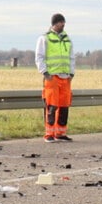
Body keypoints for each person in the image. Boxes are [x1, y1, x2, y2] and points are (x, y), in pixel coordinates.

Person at [35, 13, 74, 142]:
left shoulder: (67, 39)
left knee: (64, 106)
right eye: (61, 22)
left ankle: (60, 133)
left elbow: (71, 57)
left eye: (64, 22)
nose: (63, 25)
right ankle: (49, 134)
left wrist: (71, 73)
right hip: (52, 77)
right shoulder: (45, 38)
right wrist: (45, 73)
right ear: (55, 23)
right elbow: (39, 57)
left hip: (65, 77)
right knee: (52, 105)